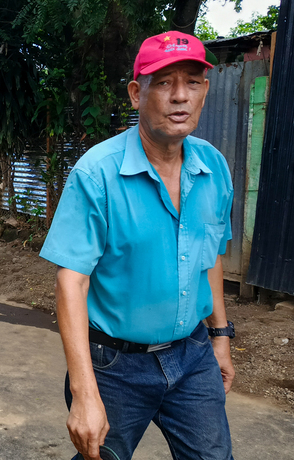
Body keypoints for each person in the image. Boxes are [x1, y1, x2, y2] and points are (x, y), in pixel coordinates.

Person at [40, 31, 235, 460]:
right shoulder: (97, 174)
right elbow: (71, 281)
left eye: (193, 82)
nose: (180, 96)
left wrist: (220, 337)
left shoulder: (214, 168)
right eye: (164, 83)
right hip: (115, 364)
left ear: (205, 91)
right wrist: (84, 392)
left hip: (193, 355)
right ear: (136, 93)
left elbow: (211, 255)